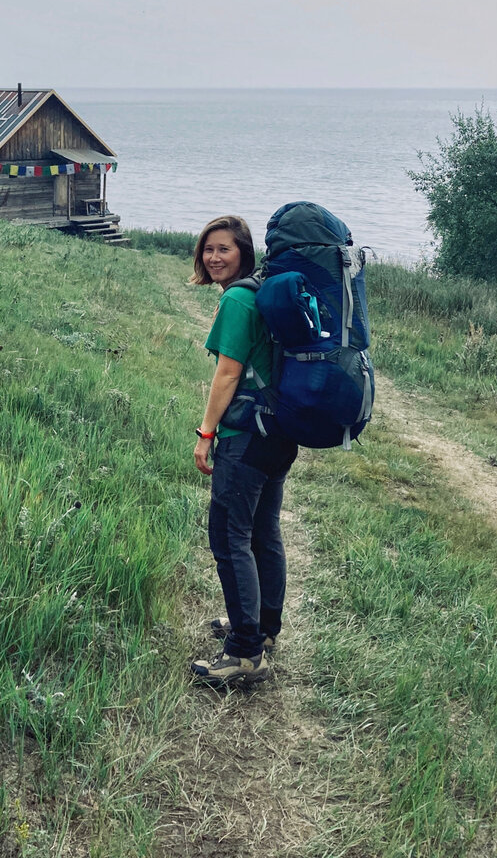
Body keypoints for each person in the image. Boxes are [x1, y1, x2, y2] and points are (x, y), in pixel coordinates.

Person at [189, 215, 298, 688]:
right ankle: (263, 629)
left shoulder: (237, 299)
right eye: (208, 249)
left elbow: (228, 374)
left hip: (245, 437)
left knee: (230, 540)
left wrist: (206, 432)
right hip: (280, 433)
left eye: (224, 250)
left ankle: (245, 654)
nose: (214, 257)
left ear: (244, 254)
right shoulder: (265, 294)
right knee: (263, 532)